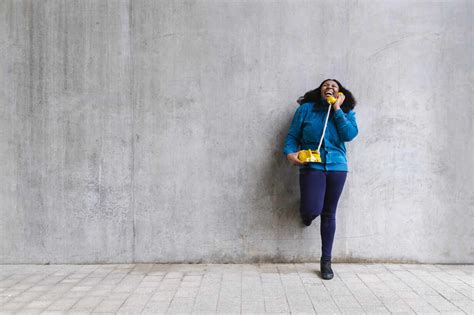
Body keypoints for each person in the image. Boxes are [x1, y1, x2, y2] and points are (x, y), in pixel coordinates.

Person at [283, 79, 358, 280]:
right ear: (319, 90)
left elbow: (350, 134)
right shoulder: (306, 110)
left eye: (334, 86)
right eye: (326, 85)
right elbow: (292, 137)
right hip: (312, 165)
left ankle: (326, 261)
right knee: (312, 209)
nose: (330, 88)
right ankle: (307, 215)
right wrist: (290, 154)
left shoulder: (346, 110)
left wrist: (337, 109)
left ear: (340, 92)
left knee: (329, 213)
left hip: (337, 167)